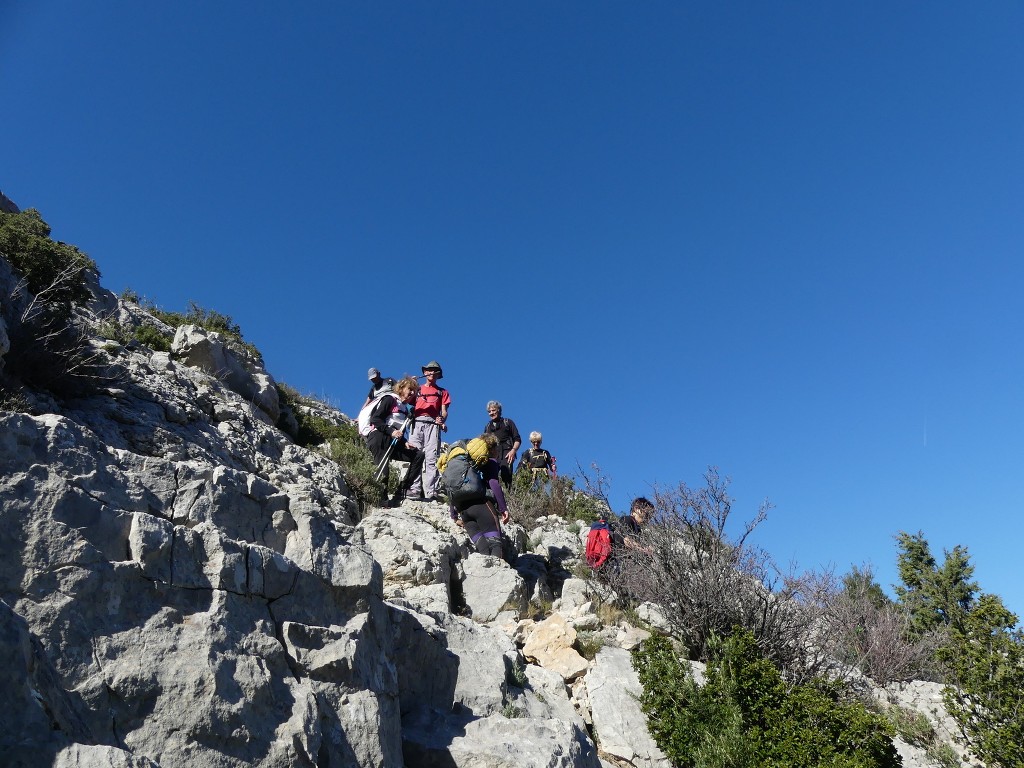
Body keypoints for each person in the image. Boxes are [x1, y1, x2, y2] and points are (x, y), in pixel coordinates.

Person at [364, 376, 425, 507]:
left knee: (418, 455)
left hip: (393, 440)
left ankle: (403, 489)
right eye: (410, 389)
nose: (412, 393)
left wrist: (404, 442)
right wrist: (391, 431)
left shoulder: (404, 408)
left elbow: (399, 428)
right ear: (401, 388)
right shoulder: (389, 399)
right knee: (383, 473)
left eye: (414, 391)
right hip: (379, 437)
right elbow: (375, 420)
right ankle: (380, 501)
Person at [449, 433, 510, 558]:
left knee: (483, 550)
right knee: (495, 546)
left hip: (464, 511)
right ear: (492, 449)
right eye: (497, 449)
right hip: (482, 507)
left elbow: (453, 487)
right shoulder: (490, 462)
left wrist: (454, 515)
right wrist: (503, 509)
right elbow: (494, 484)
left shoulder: (464, 464)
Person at [407, 360, 450, 502]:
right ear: (424, 373)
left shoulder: (442, 392)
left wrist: (441, 420)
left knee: (432, 458)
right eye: (429, 370)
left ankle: (431, 492)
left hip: (432, 425)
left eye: (434, 370)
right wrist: (410, 385)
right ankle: (414, 489)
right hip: (417, 423)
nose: (431, 372)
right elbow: (404, 398)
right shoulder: (417, 389)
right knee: (415, 456)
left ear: (438, 375)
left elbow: (444, 412)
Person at [483, 401, 520, 486]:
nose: (491, 413)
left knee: (506, 475)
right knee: (490, 478)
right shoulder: (488, 427)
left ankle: (509, 497)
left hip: (506, 453)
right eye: (489, 411)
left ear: (499, 410)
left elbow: (517, 439)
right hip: (493, 455)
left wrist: (513, 451)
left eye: (493, 410)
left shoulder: (508, 422)